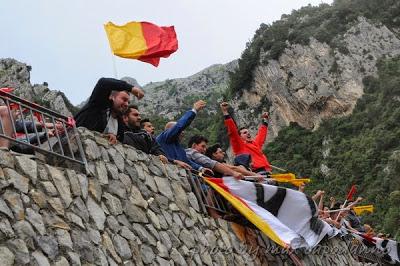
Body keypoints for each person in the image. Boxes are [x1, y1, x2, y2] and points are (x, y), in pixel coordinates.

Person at [75, 78, 144, 144]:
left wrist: (113, 138)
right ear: (112, 97)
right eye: (124, 99)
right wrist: (131, 88)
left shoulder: (120, 124)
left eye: (128, 102)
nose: (126, 104)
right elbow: (103, 82)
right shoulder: (98, 106)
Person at [156, 100, 211, 173]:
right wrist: (194, 110)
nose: (182, 132)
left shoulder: (180, 149)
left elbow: (187, 162)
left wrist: (201, 168)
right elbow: (179, 126)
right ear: (169, 130)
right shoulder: (164, 137)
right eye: (180, 131)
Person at [220, 102, 272, 174]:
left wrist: (265, 120)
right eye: (244, 133)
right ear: (240, 137)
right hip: (256, 173)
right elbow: (233, 131)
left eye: (248, 132)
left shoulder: (254, 143)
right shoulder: (239, 146)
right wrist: (225, 112)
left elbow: (261, 134)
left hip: (267, 172)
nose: (248, 133)